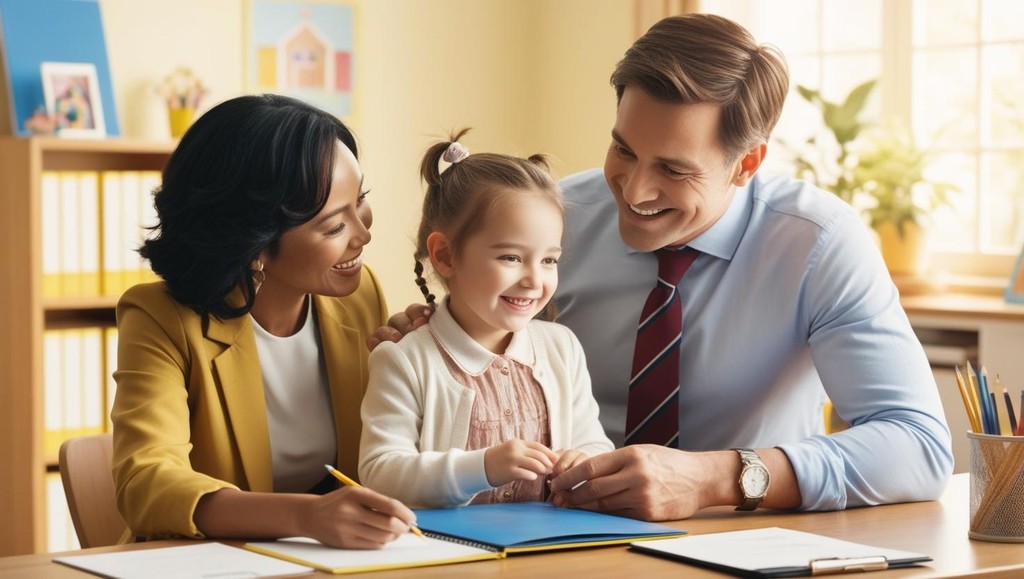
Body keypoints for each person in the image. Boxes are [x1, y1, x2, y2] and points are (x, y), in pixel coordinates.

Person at [543, 13, 953, 520]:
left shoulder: (818, 244)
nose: (633, 189)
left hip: (742, 540)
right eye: (623, 150)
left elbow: (918, 446)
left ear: (747, 164)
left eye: (673, 169)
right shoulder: (555, 219)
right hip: (558, 526)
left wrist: (713, 479)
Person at [111, 94, 417, 548]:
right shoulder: (160, 317)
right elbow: (147, 482)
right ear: (254, 241)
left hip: (338, 561)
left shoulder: (359, 296)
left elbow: (389, 451)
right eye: (334, 226)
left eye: (362, 201)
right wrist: (307, 516)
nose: (364, 234)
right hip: (210, 563)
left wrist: (425, 369)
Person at [358, 130, 614, 508]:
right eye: (511, 257)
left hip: (550, 548)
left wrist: (586, 461)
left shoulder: (562, 347)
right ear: (445, 256)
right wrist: (482, 467)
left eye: (549, 260)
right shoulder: (404, 359)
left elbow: (592, 441)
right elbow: (381, 472)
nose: (533, 279)